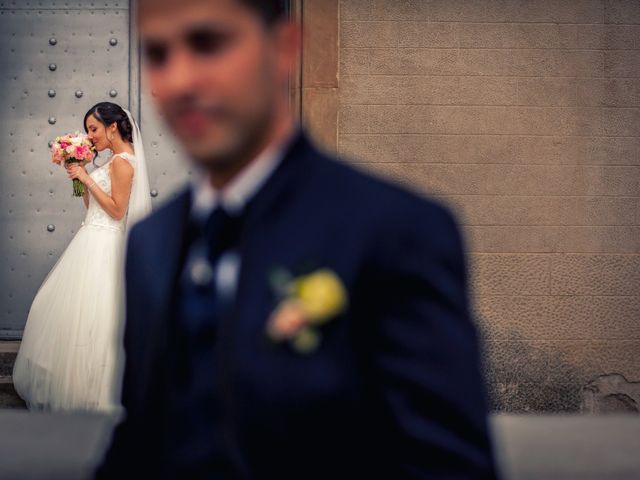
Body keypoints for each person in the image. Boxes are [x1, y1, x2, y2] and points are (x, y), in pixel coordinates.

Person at [95, 0, 498, 478]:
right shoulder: (150, 243)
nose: (180, 80)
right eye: (158, 53)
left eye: (208, 43)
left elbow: (448, 466)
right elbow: (140, 443)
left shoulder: (399, 230)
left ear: (284, 48)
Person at [12, 102, 152, 413]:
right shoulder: (113, 161)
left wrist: (87, 177)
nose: (90, 137)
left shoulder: (124, 162)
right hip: (90, 237)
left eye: (93, 129)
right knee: (68, 314)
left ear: (112, 127)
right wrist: (78, 175)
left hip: (104, 246)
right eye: (87, 130)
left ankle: (95, 394)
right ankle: (77, 389)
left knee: (96, 319)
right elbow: (91, 207)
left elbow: (116, 211)